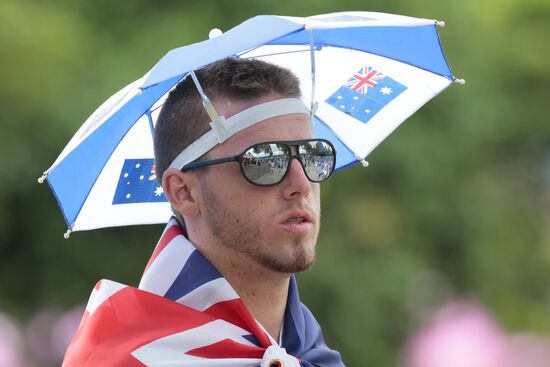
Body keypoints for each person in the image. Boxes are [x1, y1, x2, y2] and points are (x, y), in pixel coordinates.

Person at [62, 57, 343, 366]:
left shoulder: (311, 352)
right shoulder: (128, 359)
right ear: (183, 192)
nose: (301, 184)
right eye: (264, 160)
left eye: (312, 155)